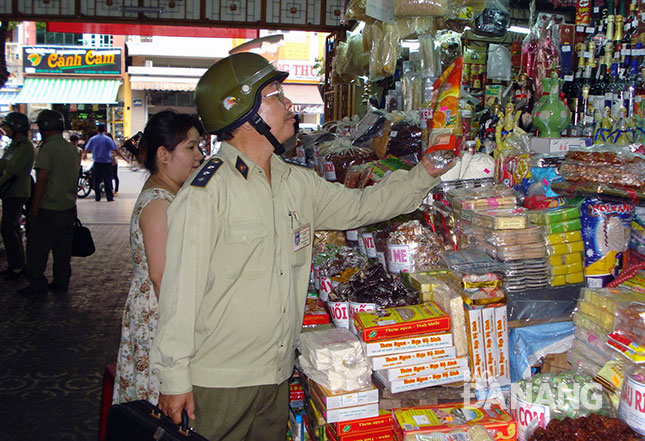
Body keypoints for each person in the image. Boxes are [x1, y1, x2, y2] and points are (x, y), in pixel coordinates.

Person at [150, 53, 453, 441]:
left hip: (276, 375)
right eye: (276, 94)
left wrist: (425, 172)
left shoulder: (297, 183)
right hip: (219, 382)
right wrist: (174, 378)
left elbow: (363, 207)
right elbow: (179, 293)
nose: (290, 103)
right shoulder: (206, 194)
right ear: (241, 110)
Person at [113, 111, 204, 405]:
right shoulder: (159, 205)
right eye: (190, 147)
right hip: (158, 316)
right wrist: (179, 341)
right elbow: (162, 277)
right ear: (164, 155)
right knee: (160, 402)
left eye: (199, 146)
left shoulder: (168, 194)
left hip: (154, 311)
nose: (199, 155)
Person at [18, 110, 80, 297]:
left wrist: (34, 208)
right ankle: (61, 282)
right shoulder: (72, 149)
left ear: (44, 127)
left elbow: (42, 179)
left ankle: (37, 284)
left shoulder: (47, 149)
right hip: (68, 208)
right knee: (62, 250)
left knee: (37, 248)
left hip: (49, 208)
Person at [0, 112, 34, 281]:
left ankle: (18, 265)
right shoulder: (13, 145)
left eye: (7, 126)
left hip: (17, 192)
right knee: (10, 227)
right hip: (9, 192)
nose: (5, 130)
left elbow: (12, 170)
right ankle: (16, 264)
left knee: (8, 227)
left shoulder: (25, 146)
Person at [84, 123, 117, 202]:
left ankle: (97, 197)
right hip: (106, 163)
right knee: (107, 180)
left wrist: (84, 155)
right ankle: (109, 197)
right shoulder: (108, 139)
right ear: (105, 130)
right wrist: (124, 157)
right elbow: (115, 149)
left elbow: (87, 148)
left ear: (97, 130)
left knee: (96, 180)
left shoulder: (93, 139)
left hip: (97, 162)